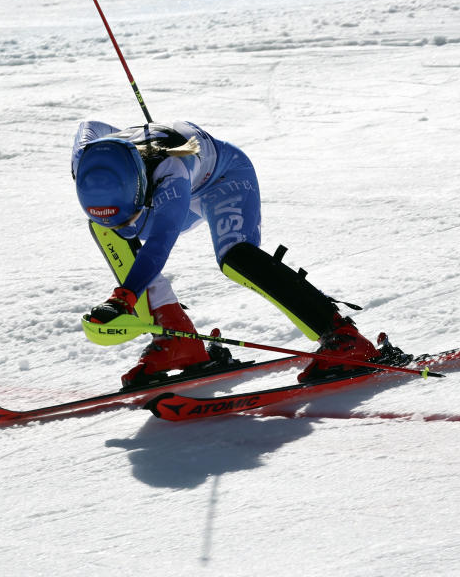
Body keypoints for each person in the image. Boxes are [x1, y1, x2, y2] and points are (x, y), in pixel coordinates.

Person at [72, 120, 402, 389]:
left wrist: (122, 298)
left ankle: (343, 337)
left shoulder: (170, 173)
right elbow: (91, 124)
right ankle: (178, 340)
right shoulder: (85, 159)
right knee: (104, 229)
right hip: (160, 183)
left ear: (141, 186)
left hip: (223, 182)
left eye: (128, 216)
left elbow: (159, 243)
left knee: (236, 257)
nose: (127, 227)